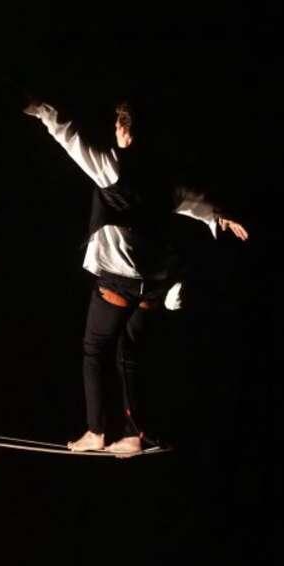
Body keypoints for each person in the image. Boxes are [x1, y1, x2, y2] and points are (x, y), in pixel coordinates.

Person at [23, 99, 249, 455]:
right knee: (129, 353)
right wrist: (219, 215)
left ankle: (96, 431)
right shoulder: (165, 178)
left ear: (125, 130)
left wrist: (41, 110)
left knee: (94, 350)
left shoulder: (113, 167)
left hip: (118, 280)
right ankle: (134, 435)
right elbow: (195, 201)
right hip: (153, 286)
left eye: (117, 125)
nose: (114, 130)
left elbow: (71, 139)